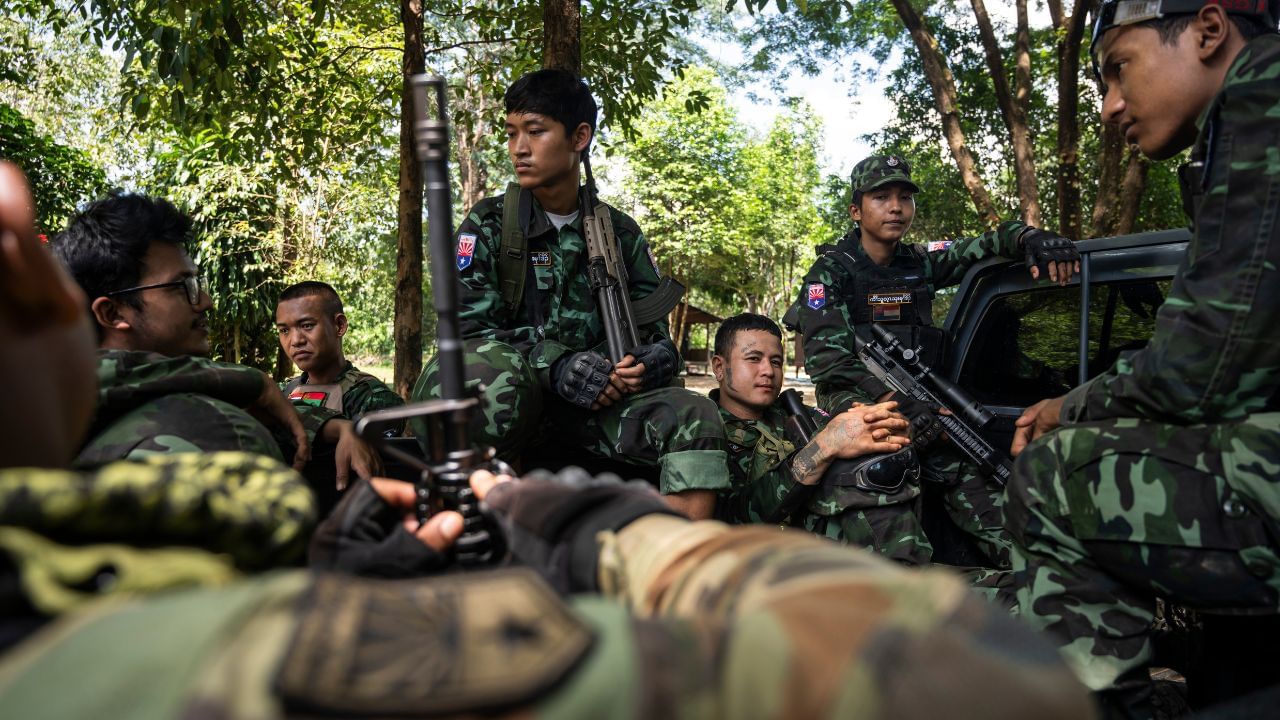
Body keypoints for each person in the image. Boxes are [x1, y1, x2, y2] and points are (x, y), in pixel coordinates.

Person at [0, 161, 1095, 718]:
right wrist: (606, 538)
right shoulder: (175, 481)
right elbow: (967, 677)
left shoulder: (623, 246)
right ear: (105, 322)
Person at [1005, 2, 1280, 714]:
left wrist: (1069, 406)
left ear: (1209, 31)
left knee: (1051, 477)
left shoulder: (1261, 89)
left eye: (1118, 69)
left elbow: (1200, 368)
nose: (1108, 106)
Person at [411, 68, 729, 519]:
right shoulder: (489, 224)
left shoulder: (618, 232)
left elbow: (652, 329)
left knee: (695, 414)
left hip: (597, 408)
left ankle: (676, 557)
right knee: (487, 373)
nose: (518, 148)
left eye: (535, 132)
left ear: (579, 137)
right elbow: (469, 334)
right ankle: (481, 531)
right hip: (516, 401)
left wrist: (653, 359)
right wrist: (556, 364)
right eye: (512, 133)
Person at [785, 154, 1080, 569]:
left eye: (905, 197)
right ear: (856, 210)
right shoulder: (831, 273)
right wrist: (897, 401)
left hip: (923, 404)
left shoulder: (919, 262)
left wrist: (1028, 238)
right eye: (881, 197)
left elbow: (981, 246)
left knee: (981, 479)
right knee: (891, 484)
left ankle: (1041, 576)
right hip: (860, 406)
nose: (896, 207)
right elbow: (830, 363)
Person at [49, 193, 378, 489]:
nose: (205, 301)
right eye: (182, 286)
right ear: (112, 313)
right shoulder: (216, 430)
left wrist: (330, 426)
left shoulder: (43, 411)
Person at [710, 313, 931, 566]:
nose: (768, 371)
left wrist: (893, 428)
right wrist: (823, 447)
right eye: (753, 359)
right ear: (719, 367)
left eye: (776, 362)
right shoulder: (704, 428)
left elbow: (861, 432)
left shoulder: (797, 415)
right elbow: (727, 521)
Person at [275, 280, 403, 428]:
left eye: (307, 326)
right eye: (284, 330)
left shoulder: (374, 399)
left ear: (340, 326)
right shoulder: (281, 392)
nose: (296, 341)